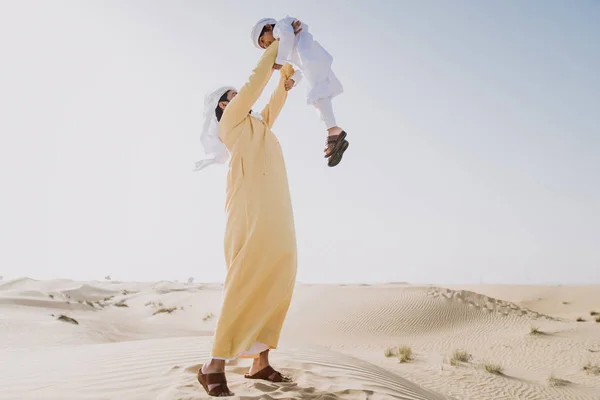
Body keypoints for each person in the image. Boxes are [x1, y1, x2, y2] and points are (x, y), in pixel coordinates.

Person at [196, 41, 298, 397]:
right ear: (224, 104)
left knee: (280, 273)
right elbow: (256, 84)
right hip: (248, 210)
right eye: (235, 95)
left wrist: (285, 75)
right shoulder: (231, 123)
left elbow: (271, 105)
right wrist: (275, 53)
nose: (243, 97)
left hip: (276, 209)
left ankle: (260, 362)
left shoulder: (258, 125)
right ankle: (214, 364)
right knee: (245, 277)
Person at [251, 16, 349, 167]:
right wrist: (293, 80)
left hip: (312, 59)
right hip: (310, 62)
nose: (266, 45)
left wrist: (280, 60)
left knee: (318, 94)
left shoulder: (280, 27)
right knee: (319, 98)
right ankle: (333, 131)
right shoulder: (285, 44)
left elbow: (287, 35)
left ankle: (334, 131)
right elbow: (298, 68)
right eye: (264, 46)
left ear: (268, 28)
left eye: (263, 41)